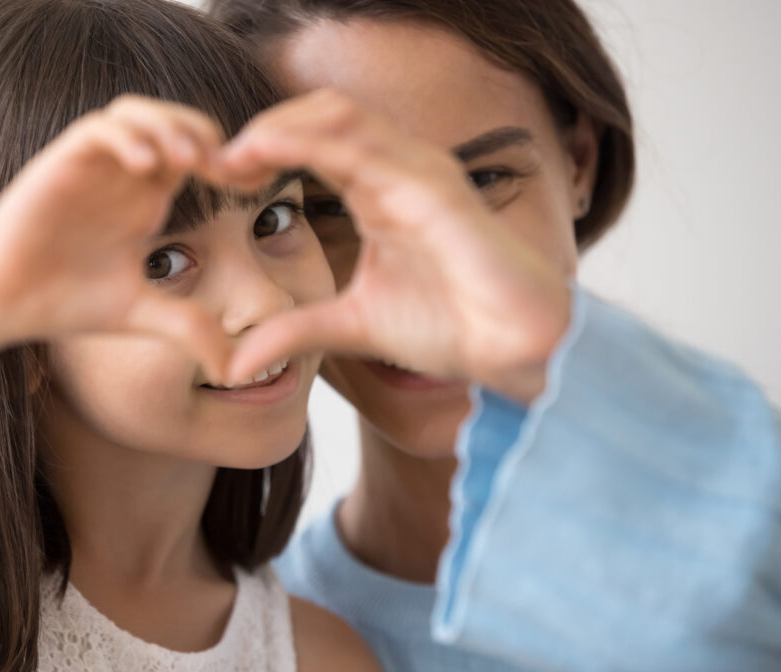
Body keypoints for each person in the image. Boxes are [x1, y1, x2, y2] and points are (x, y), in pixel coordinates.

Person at [0, 1, 383, 670]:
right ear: (19, 331)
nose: (266, 300)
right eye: (162, 261)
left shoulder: (318, 654)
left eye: (272, 219)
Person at [205, 1, 781, 670]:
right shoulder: (261, 649)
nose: (422, 280)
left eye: (481, 181)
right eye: (329, 206)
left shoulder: (757, 521)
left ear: (579, 165)